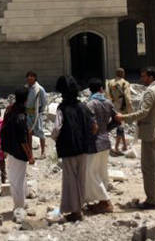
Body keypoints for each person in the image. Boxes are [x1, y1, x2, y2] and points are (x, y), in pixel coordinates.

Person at [116, 67, 155, 210]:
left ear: (151, 77)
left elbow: (143, 112)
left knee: (149, 168)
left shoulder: (150, 93)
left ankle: (152, 200)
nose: (142, 79)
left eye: (144, 76)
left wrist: (125, 117)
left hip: (150, 134)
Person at [52, 75, 95, 222]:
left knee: (70, 179)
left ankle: (75, 211)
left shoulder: (61, 109)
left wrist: (55, 138)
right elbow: (92, 125)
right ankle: (80, 207)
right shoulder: (83, 107)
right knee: (81, 178)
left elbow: (56, 129)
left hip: (68, 149)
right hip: (83, 147)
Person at [84, 78, 116, 214]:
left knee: (90, 173)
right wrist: (106, 129)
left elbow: (90, 124)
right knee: (101, 172)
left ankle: (105, 201)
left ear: (90, 90)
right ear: (102, 89)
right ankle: (100, 201)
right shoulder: (108, 103)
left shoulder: (90, 104)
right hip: (106, 141)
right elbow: (117, 119)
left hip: (94, 143)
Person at [1, 86, 35, 211]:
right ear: (26, 99)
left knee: (16, 177)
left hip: (10, 149)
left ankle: (21, 203)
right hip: (19, 152)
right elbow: (23, 139)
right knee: (18, 180)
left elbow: (4, 130)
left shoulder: (9, 110)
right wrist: (30, 155)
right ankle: (19, 206)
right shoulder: (20, 115)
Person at [105, 68, 133, 154]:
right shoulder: (125, 83)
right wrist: (130, 111)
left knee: (120, 126)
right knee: (120, 126)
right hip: (122, 108)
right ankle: (116, 147)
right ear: (123, 74)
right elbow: (128, 98)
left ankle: (124, 145)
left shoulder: (110, 82)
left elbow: (107, 95)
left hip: (113, 107)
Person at [25, 71, 47, 158]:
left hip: (37, 113)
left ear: (35, 78)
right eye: (28, 76)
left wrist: (40, 111)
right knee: (29, 133)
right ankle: (30, 153)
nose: (29, 78)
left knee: (40, 132)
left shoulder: (39, 89)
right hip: (27, 113)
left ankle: (43, 152)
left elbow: (44, 101)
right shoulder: (26, 88)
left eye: (32, 76)